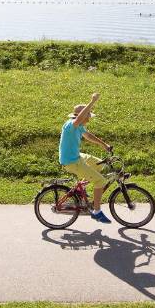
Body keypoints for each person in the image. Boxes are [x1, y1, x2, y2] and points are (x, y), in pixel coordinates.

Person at [58, 92, 115, 224]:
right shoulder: (71, 125)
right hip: (72, 161)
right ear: (82, 116)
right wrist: (92, 101)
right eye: (88, 116)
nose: (89, 119)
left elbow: (88, 136)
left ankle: (80, 189)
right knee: (100, 181)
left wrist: (104, 145)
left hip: (77, 156)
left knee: (99, 164)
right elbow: (79, 119)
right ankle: (97, 212)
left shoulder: (79, 126)